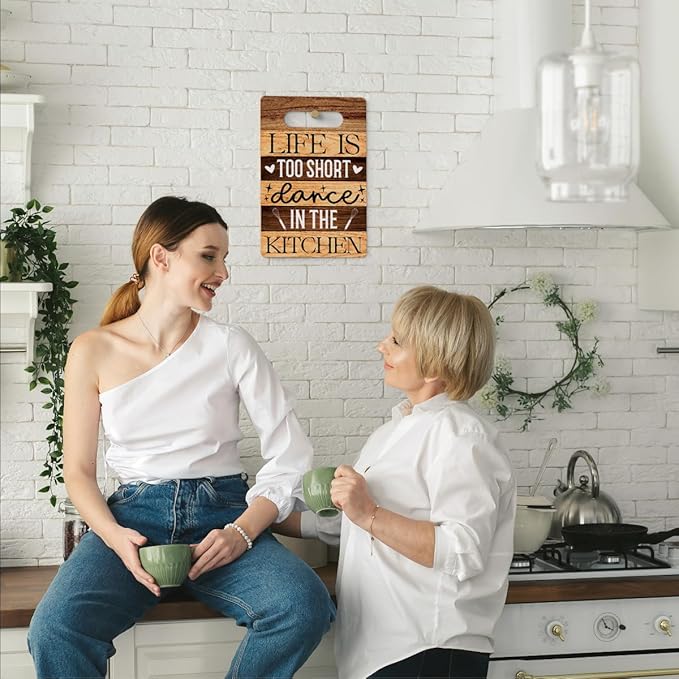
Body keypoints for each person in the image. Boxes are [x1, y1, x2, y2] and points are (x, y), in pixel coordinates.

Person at [28, 196, 335, 679]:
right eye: (209, 256)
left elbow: (291, 453)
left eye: (224, 259)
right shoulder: (92, 350)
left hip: (224, 516)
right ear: (161, 257)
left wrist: (241, 532)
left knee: (303, 606)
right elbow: (79, 472)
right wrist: (115, 537)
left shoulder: (232, 346)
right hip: (132, 520)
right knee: (55, 630)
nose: (223, 272)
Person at [278, 286, 516, 679]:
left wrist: (369, 513)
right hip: (386, 652)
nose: (381, 346)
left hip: (428, 649)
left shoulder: (462, 436)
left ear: (435, 363)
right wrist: (267, 518)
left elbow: (463, 550)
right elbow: (360, 526)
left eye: (397, 340)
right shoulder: (396, 430)